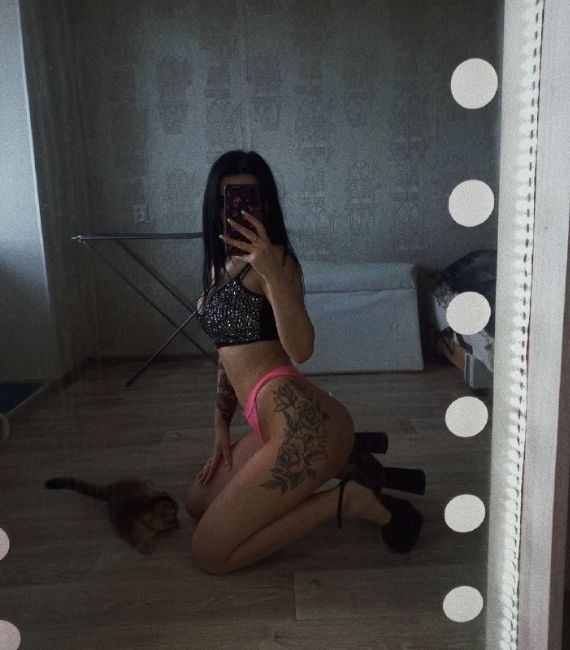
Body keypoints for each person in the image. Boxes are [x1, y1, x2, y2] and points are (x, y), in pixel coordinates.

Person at [186, 150, 424, 575]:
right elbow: (227, 351)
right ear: (214, 205)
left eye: (249, 198)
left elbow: (301, 349)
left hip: (304, 423)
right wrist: (220, 422)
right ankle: (346, 458)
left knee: (209, 554)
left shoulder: (275, 262)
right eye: (228, 199)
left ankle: (346, 498)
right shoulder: (219, 268)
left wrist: (271, 272)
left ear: (265, 204)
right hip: (268, 422)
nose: (237, 208)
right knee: (197, 504)